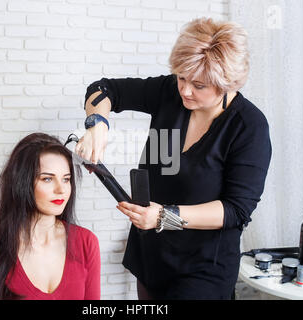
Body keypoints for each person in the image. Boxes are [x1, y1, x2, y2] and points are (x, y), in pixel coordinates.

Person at [76, 17, 272, 300]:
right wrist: (98, 124)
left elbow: (236, 210)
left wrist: (165, 217)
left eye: (200, 85)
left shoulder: (249, 127)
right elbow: (105, 89)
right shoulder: (169, 94)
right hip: (151, 256)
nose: (185, 90)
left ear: (227, 84)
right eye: (181, 77)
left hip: (203, 269)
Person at [0, 133, 100, 300]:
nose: (61, 189)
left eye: (66, 179)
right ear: (22, 183)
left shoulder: (86, 242)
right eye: (47, 179)